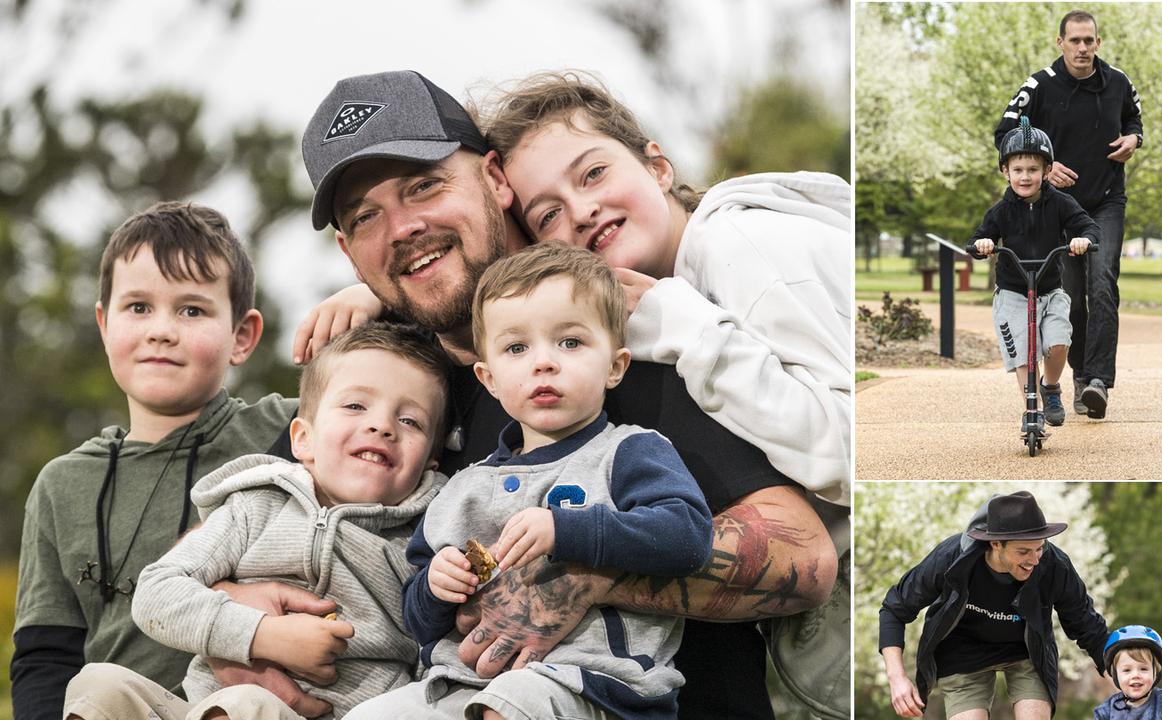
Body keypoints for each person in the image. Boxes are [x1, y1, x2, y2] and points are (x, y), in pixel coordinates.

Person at [289, 69, 837, 719]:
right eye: (368, 216)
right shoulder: (374, 374)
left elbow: (802, 557)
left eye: (424, 187)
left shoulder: (612, 340)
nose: (404, 227)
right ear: (353, 255)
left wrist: (589, 571)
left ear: (495, 181)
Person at [349, 243, 713, 719]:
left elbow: (687, 536)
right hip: (461, 682)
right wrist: (436, 586)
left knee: (511, 705)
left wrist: (567, 530)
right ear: (489, 377)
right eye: (517, 348)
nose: (543, 362)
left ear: (615, 366)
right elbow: (418, 622)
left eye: (570, 342)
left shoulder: (629, 452)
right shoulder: (463, 487)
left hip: (594, 685)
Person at [482, 71, 851, 507]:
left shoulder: (741, 247)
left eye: (593, 173)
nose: (581, 211)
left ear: (657, 168)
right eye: (548, 215)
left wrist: (683, 327)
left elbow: (851, 455)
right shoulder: (662, 291)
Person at [62, 322, 453, 720]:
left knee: (249, 703)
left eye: (410, 422)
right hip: (204, 709)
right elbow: (156, 594)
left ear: (429, 463)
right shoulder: (255, 506)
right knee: (98, 685)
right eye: (355, 406)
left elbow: (435, 657)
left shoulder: (424, 541)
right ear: (302, 439)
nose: (382, 425)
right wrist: (263, 635)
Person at [10, 202, 297, 720]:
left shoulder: (292, 432)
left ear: (242, 336)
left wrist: (366, 298)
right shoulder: (62, 485)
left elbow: (392, 386)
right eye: (138, 307)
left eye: (192, 310)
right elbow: (46, 657)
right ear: (104, 323)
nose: (162, 329)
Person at [994, 9, 1144, 420]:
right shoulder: (1038, 86)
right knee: (1071, 298)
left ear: (1098, 42)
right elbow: (1004, 132)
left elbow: (1134, 118)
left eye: (1089, 40)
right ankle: (1077, 377)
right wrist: (1046, 164)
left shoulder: (1117, 81)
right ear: (1060, 42)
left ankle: (1097, 381)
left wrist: (1134, 138)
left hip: (1107, 200)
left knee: (1103, 284)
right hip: (1060, 209)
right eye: (1074, 40)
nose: (1082, 48)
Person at [878, 490, 1110, 720]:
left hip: (1026, 651)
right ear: (996, 543)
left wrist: (1119, 670)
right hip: (962, 651)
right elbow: (894, 609)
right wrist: (897, 678)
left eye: (1039, 548)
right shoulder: (951, 559)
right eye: (1023, 551)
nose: (1034, 560)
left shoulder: (1053, 565)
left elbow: (1085, 623)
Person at [971, 117, 1100, 428]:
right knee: (1024, 356)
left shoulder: (1061, 204)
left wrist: (1084, 239)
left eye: (1033, 170)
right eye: (1018, 170)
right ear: (1006, 172)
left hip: (1050, 290)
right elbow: (977, 238)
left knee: (1058, 343)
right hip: (1013, 293)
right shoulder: (1001, 211)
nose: (1025, 177)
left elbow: (1087, 225)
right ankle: (1033, 409)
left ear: (1046, 171)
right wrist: (983, 244)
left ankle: (1051, 386)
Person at [1094, 625, 1162, 720]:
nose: (1136, 675)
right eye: (1127, 670)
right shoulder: (1106, 712)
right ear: (1115, 675)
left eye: (1143, 669)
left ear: (1155, 672)